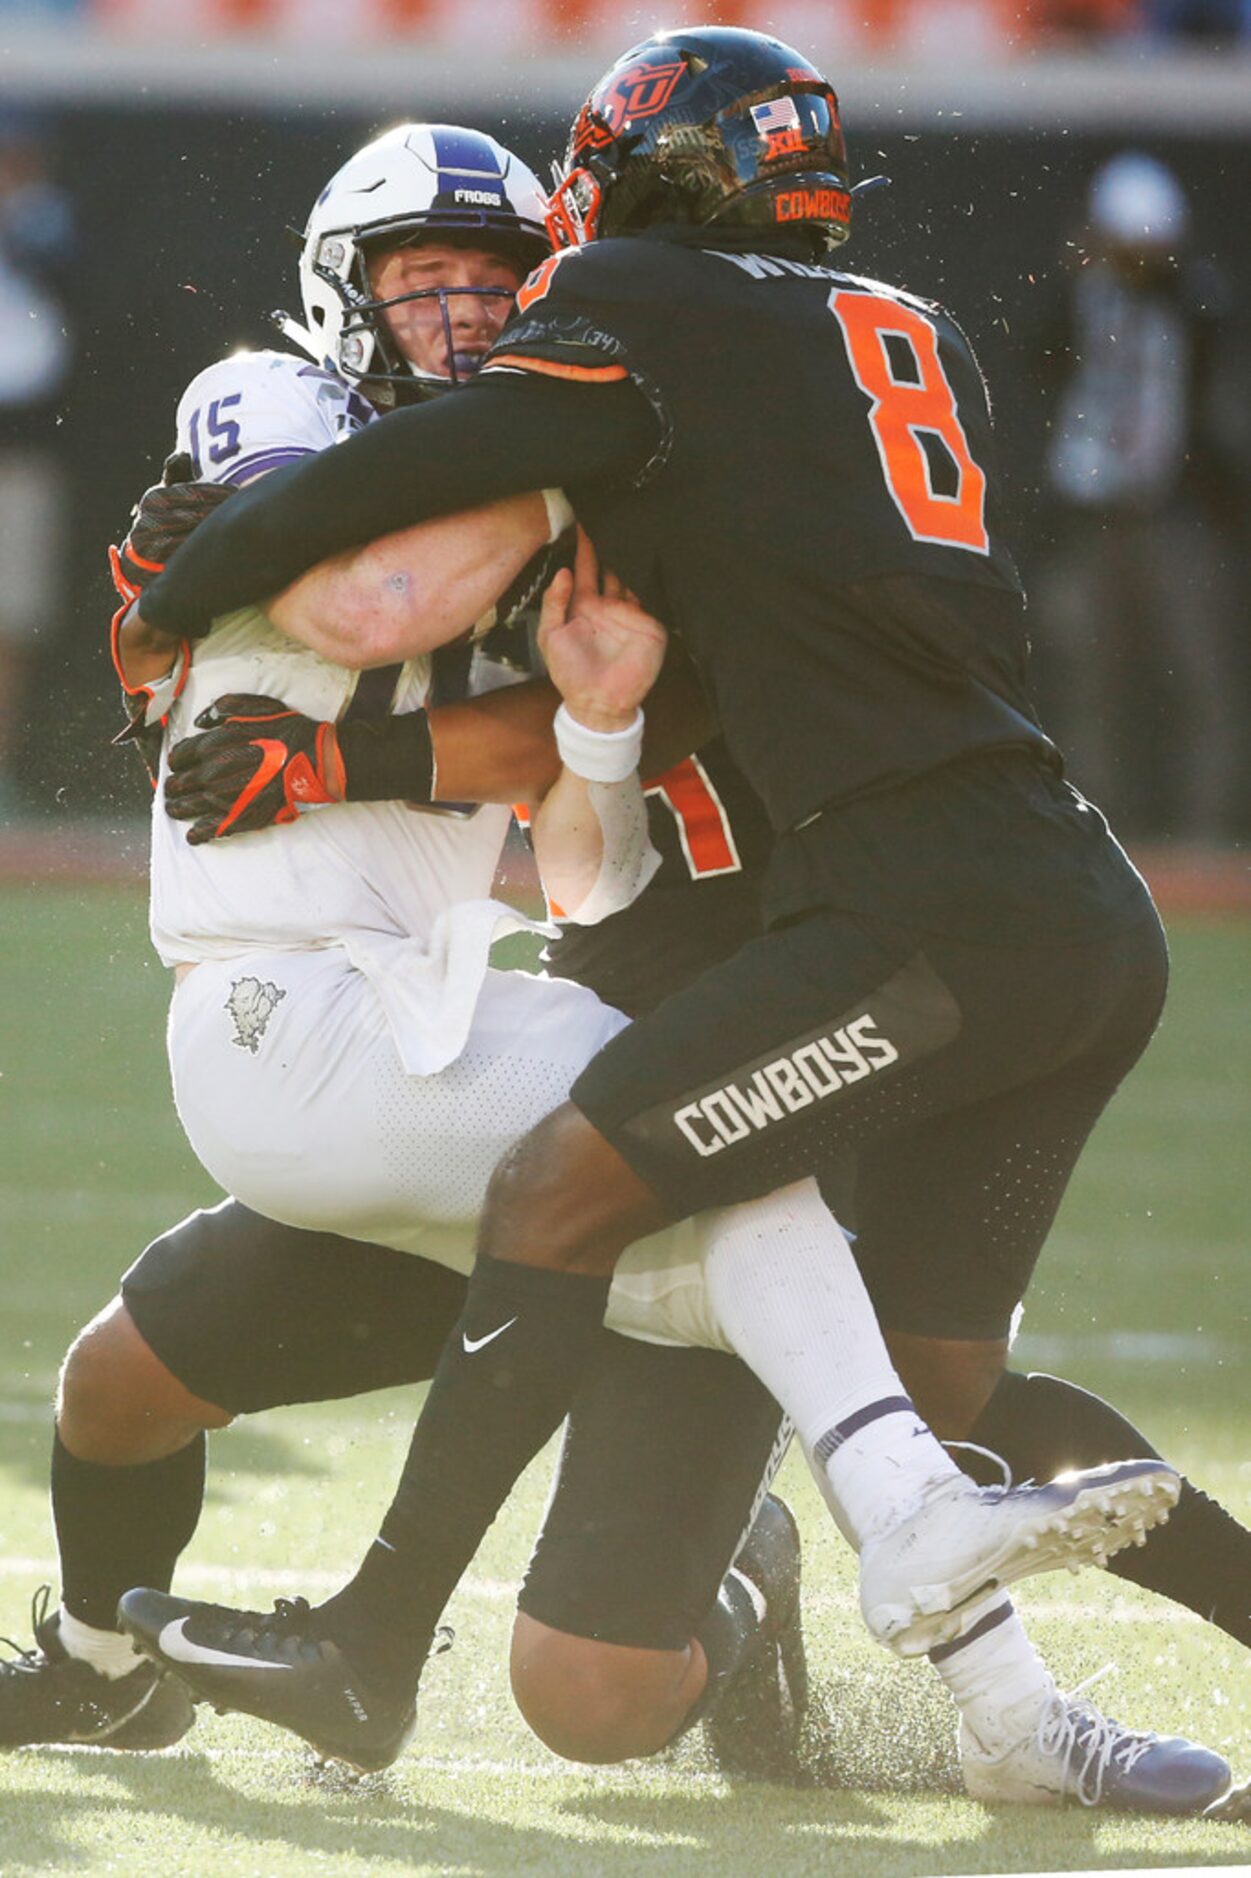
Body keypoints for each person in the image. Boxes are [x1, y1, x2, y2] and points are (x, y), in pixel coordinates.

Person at [106, 43, 1243, 1812]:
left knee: (612, 1674)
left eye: (499, 286)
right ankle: (108, 1662)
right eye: (426, 289)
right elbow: (544, 833)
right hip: (580, 1005)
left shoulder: (623, 424)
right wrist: (250, 596)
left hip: (755, 1002)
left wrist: (312, 700)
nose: (470, 323)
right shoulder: (721, 385)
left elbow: (560, 703)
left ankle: (946, 1678)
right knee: (135, 1359)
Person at [1030, 151, 1245, 840]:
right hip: (1087, 519)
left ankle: (1202, 842)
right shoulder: (1074, 299)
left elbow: (1207, 385)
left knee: (1199, 680)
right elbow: (1032, 358)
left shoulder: (1192, 301)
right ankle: (1093, 834)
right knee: (1087, 682)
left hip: (1168, 515)